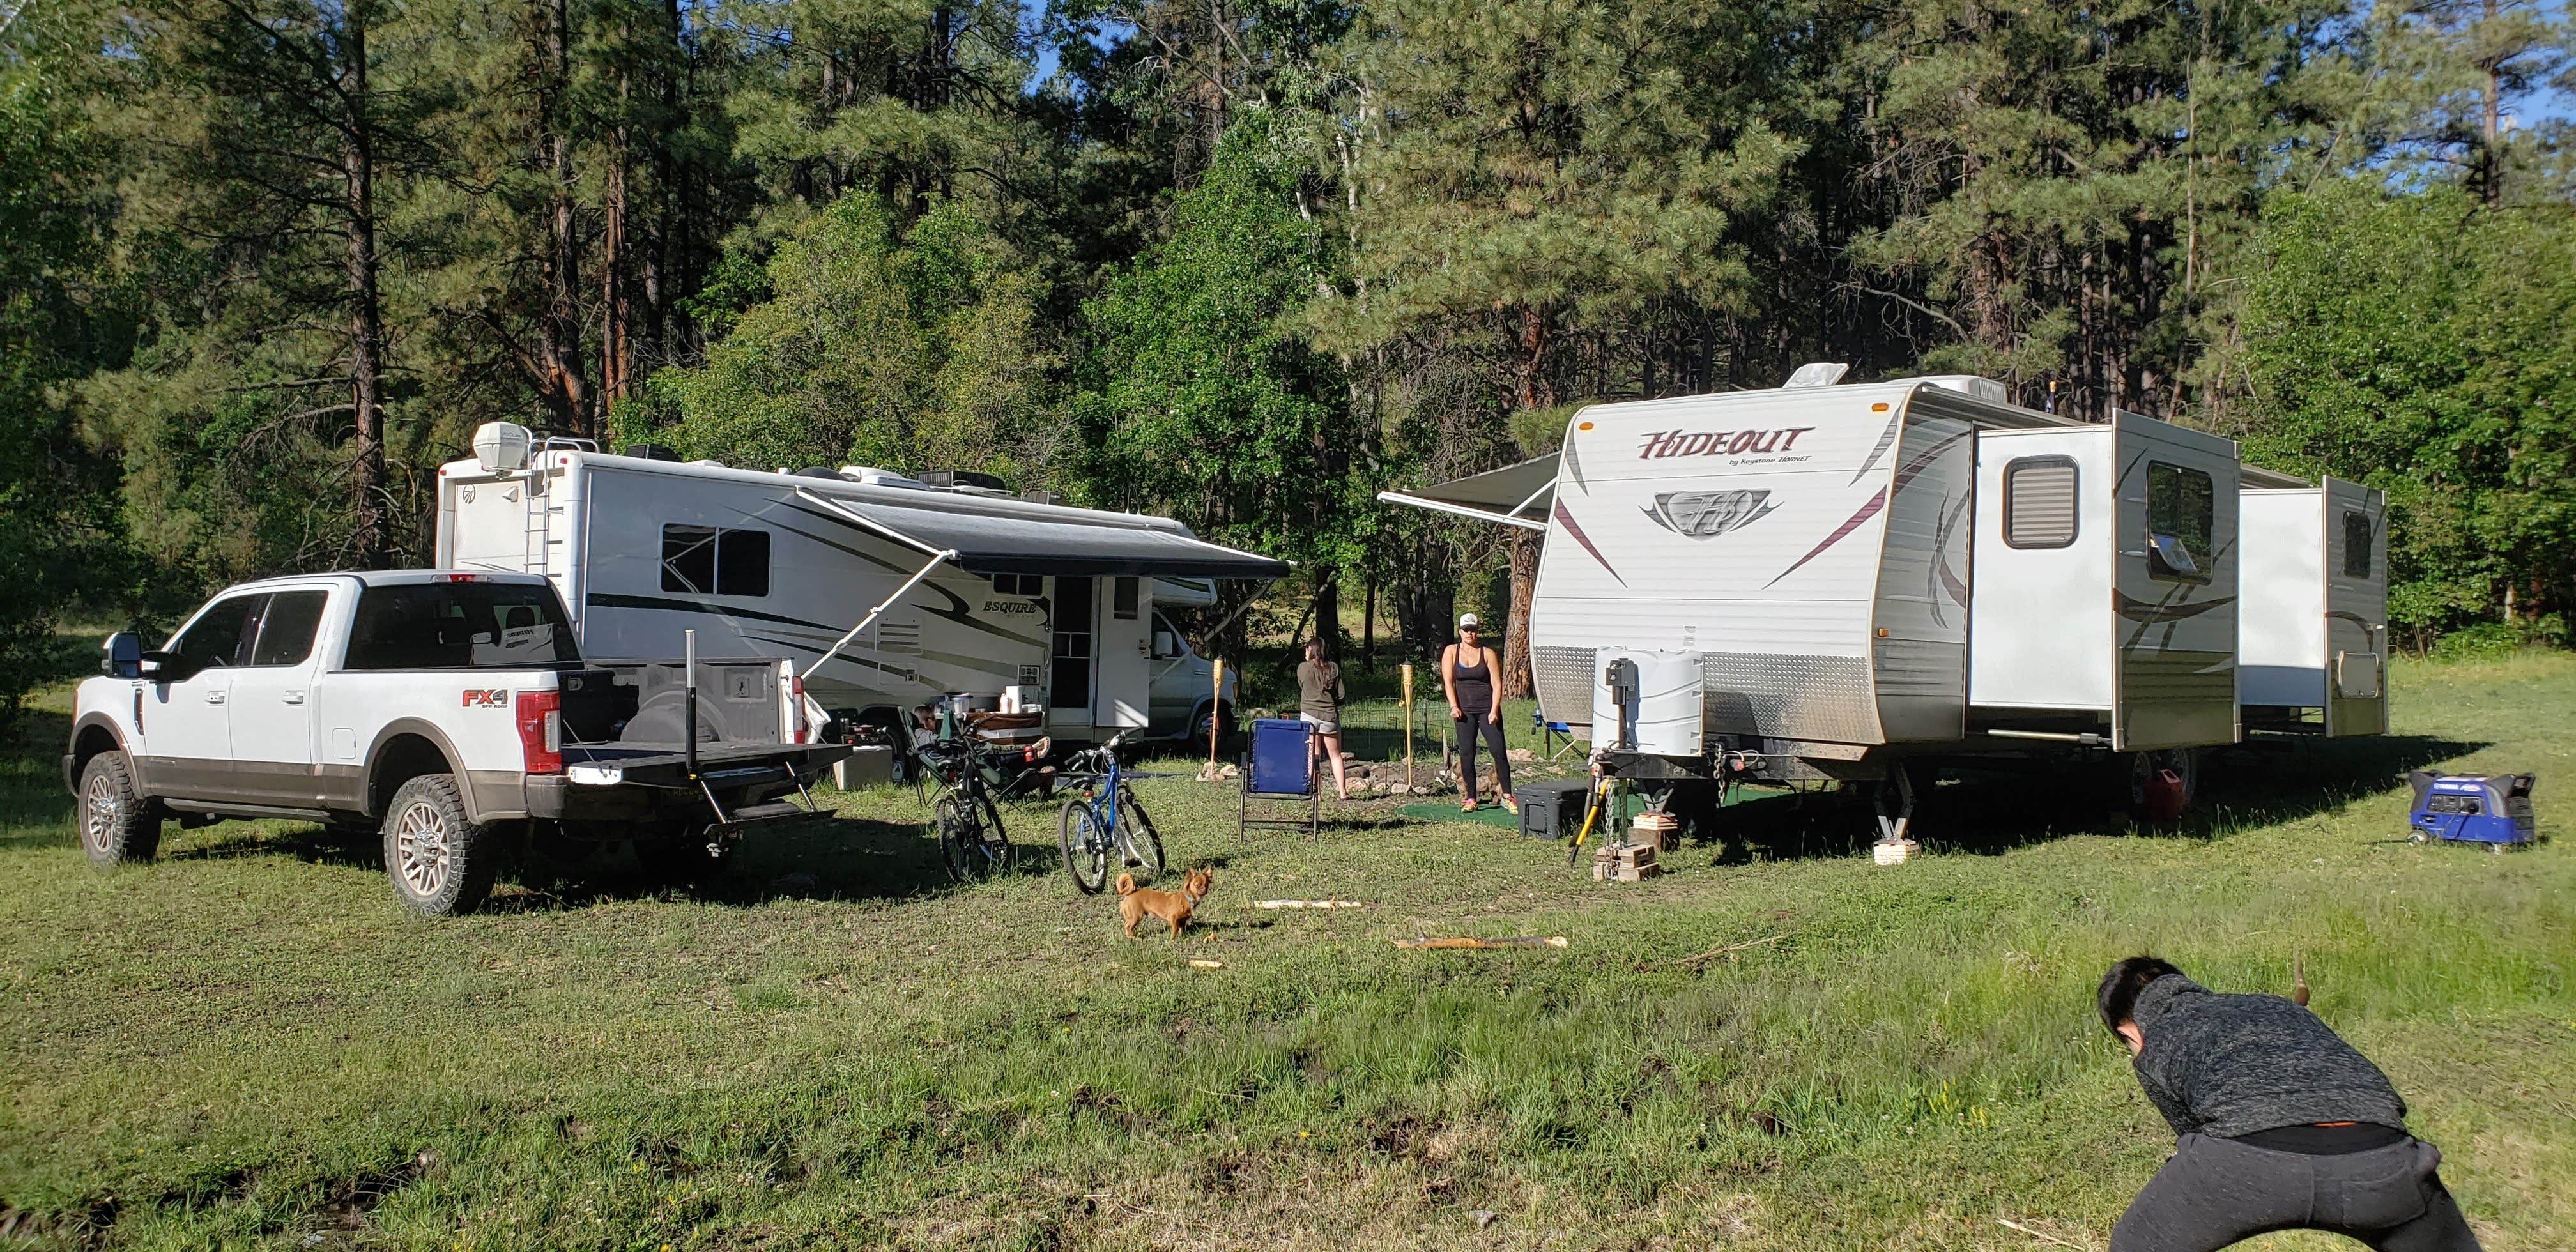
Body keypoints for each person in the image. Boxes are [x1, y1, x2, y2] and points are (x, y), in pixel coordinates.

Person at [2098, 956, 2481, 1252]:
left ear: (2126, 1029)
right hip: (2384, 1157)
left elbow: (2191, 1135)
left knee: (2135, 1243)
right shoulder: (2276, 1006)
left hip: (2248, 1165)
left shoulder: (2155, 1043)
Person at [1439, 613, 1515, 814]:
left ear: (1477, 631)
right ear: (1460, 631)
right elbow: (1448, 682)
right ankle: (1471, 797)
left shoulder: (1487, 653)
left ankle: (1508, 795)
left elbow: (1497, 684)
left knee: (1499, 751)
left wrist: (1494, 710)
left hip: (1487, 710)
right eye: (1466, 629)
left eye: (1473, 629)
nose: (1469, 633)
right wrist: (1454, 706)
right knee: (1467, 753)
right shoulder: (1451, 652)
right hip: (1464, 712)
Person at [1296, 639, 1350, 801]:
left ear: (1310, 650)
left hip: (1309, 715)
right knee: (1335, 754)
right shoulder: (1333, 667)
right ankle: (1342, 791)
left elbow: (1302, 685)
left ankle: (1316, 792)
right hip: (1329, 716)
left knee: (1314, 754)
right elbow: (1341, 695)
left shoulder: (1303, 668)